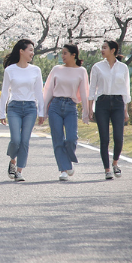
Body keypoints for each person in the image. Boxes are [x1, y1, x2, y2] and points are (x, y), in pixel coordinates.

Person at [41, 44, 90, 181]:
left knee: (71, 138)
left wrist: (86, 112)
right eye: (61, 53)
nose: (62, 56)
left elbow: (85, 92)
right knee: (57, 139)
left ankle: (68, 160)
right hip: (55, 106)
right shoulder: (56, 69)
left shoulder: (81, 71)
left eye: (65, 53)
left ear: (74, 55)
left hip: (70, 107)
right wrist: (43, 110)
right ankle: (64, 169)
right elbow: (48, 89)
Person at [0, 39, 44, 182]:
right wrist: (2, 112)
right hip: (14, 107)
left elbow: (39, 92)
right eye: (30, 50)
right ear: (21, 51)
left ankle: (19, 171)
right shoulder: (10, 70)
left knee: (25, 141)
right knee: (15, 140)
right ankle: (13, 161)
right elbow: (5, 92)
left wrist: (41, 112)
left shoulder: (35, 70)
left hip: (30, 108)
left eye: (33, 50)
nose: (32, 53)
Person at [89, 40, 131, 180]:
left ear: (113, 50)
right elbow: (92, 89)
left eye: (105, 47)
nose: (102, 50)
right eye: (102, 47)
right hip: (102, 103)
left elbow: (126, 90)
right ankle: (107, 169)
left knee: (118, 138)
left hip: (119, 103)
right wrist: (90, 108)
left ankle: (115, 163)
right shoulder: (97, 67)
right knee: (104, 139)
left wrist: (126, 110)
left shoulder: (123, 68)